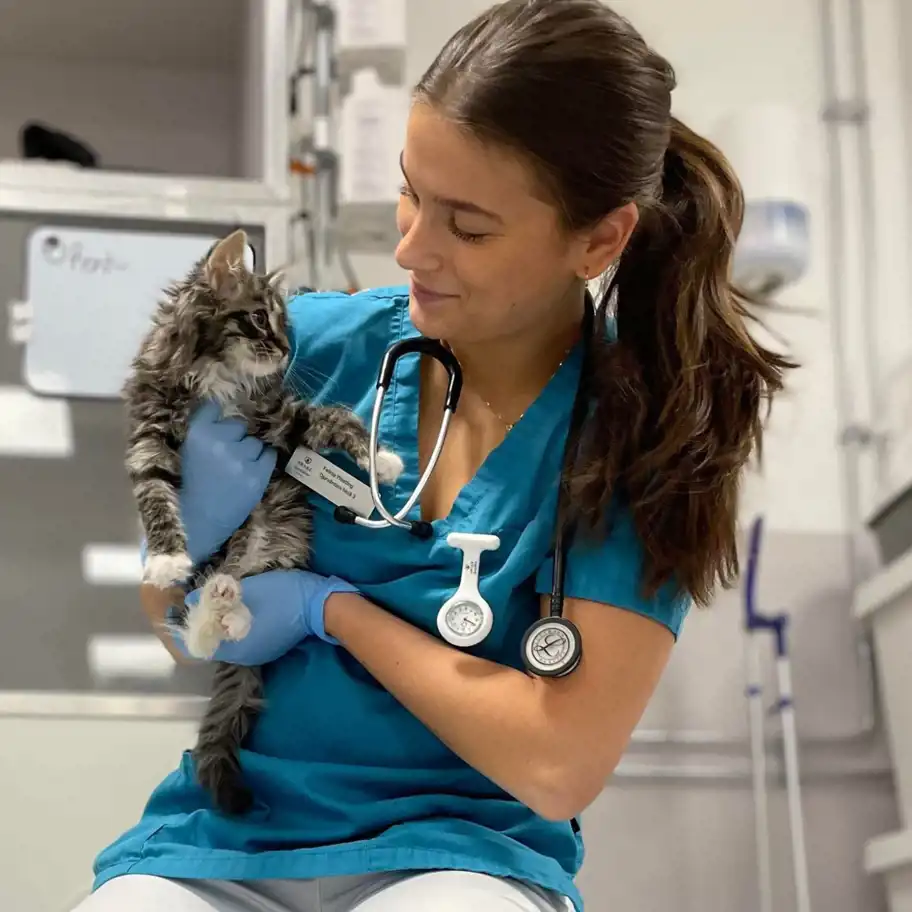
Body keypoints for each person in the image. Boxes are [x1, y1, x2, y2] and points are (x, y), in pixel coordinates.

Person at [76, 1, 793, 910]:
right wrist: (186, 550)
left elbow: (558, 761)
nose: (411, 248)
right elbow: (171, 613)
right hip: (227, 839)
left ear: (599, 240)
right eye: (412, 192)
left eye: (469, 226)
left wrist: (333, 612)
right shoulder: (303, 347)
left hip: (460, 853)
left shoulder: (642, 434)